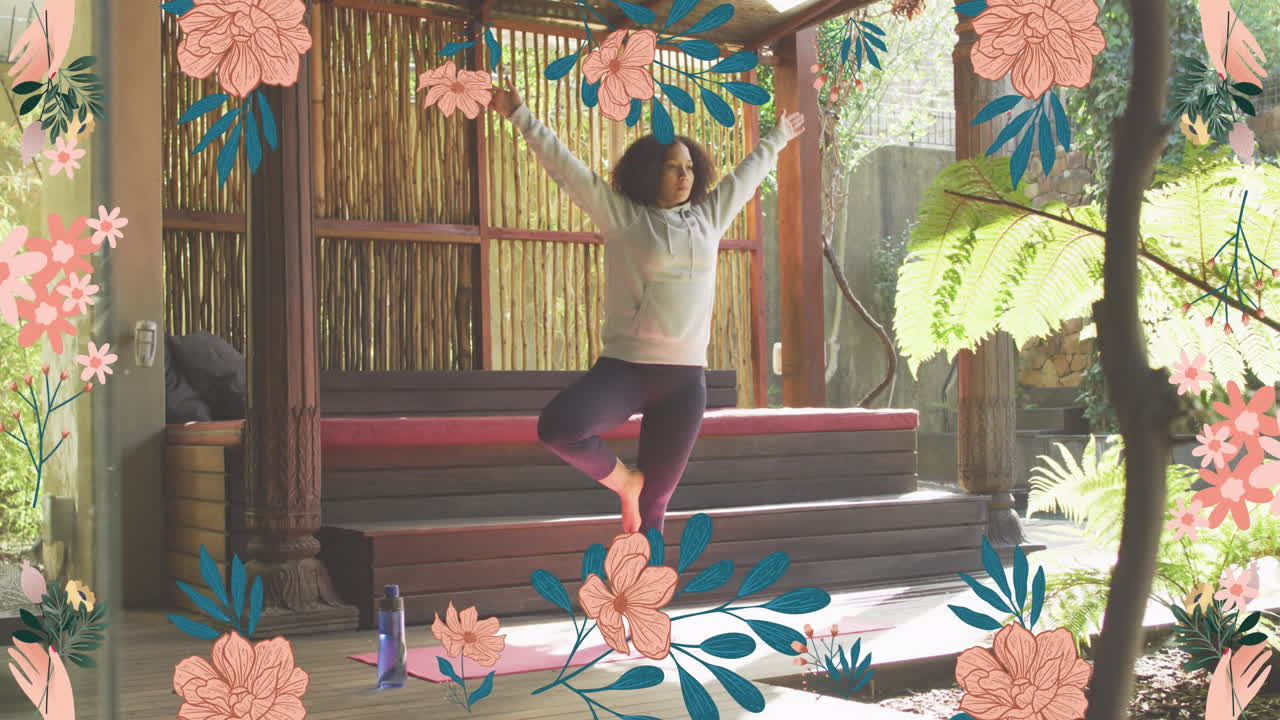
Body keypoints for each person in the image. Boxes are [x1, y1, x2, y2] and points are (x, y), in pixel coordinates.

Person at [488, 74, 805, 535]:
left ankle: (646, 600)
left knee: (655, 513)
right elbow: (565, 167)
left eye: (690, 168)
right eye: (672, 167)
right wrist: (520, 115)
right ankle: (626, 484)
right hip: (626, 370)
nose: (684, 175)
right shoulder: (622, 217)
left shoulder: (708, 219)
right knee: (559, 428)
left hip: (684, 382)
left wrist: (779, 137)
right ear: (649, 171)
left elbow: (748, 174)